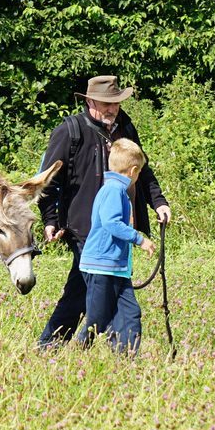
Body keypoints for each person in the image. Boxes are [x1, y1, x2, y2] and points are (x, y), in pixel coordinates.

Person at [35, 74, 171, 350]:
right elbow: (47, 180)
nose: (111, 109)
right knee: (100, 290)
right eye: (105, 103)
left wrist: (158, 202)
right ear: (89, 101)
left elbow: (142, 169)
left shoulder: (125, 127)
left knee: (88, 289)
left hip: (120, 226)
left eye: (116, 103)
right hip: (83, 227)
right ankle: (114, 349)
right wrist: (50, 218)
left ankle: (56, 347)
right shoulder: (70, 131)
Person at [76, 139, 155, 352]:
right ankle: (78, 349)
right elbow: (111, 223)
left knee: (130, 313)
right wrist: (140, 239)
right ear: (133, 170)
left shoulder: (114, 189)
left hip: (116, 269)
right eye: (138, 174)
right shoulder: (113, 190)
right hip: (102, 266)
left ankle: (126, 356)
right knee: (98, 319)